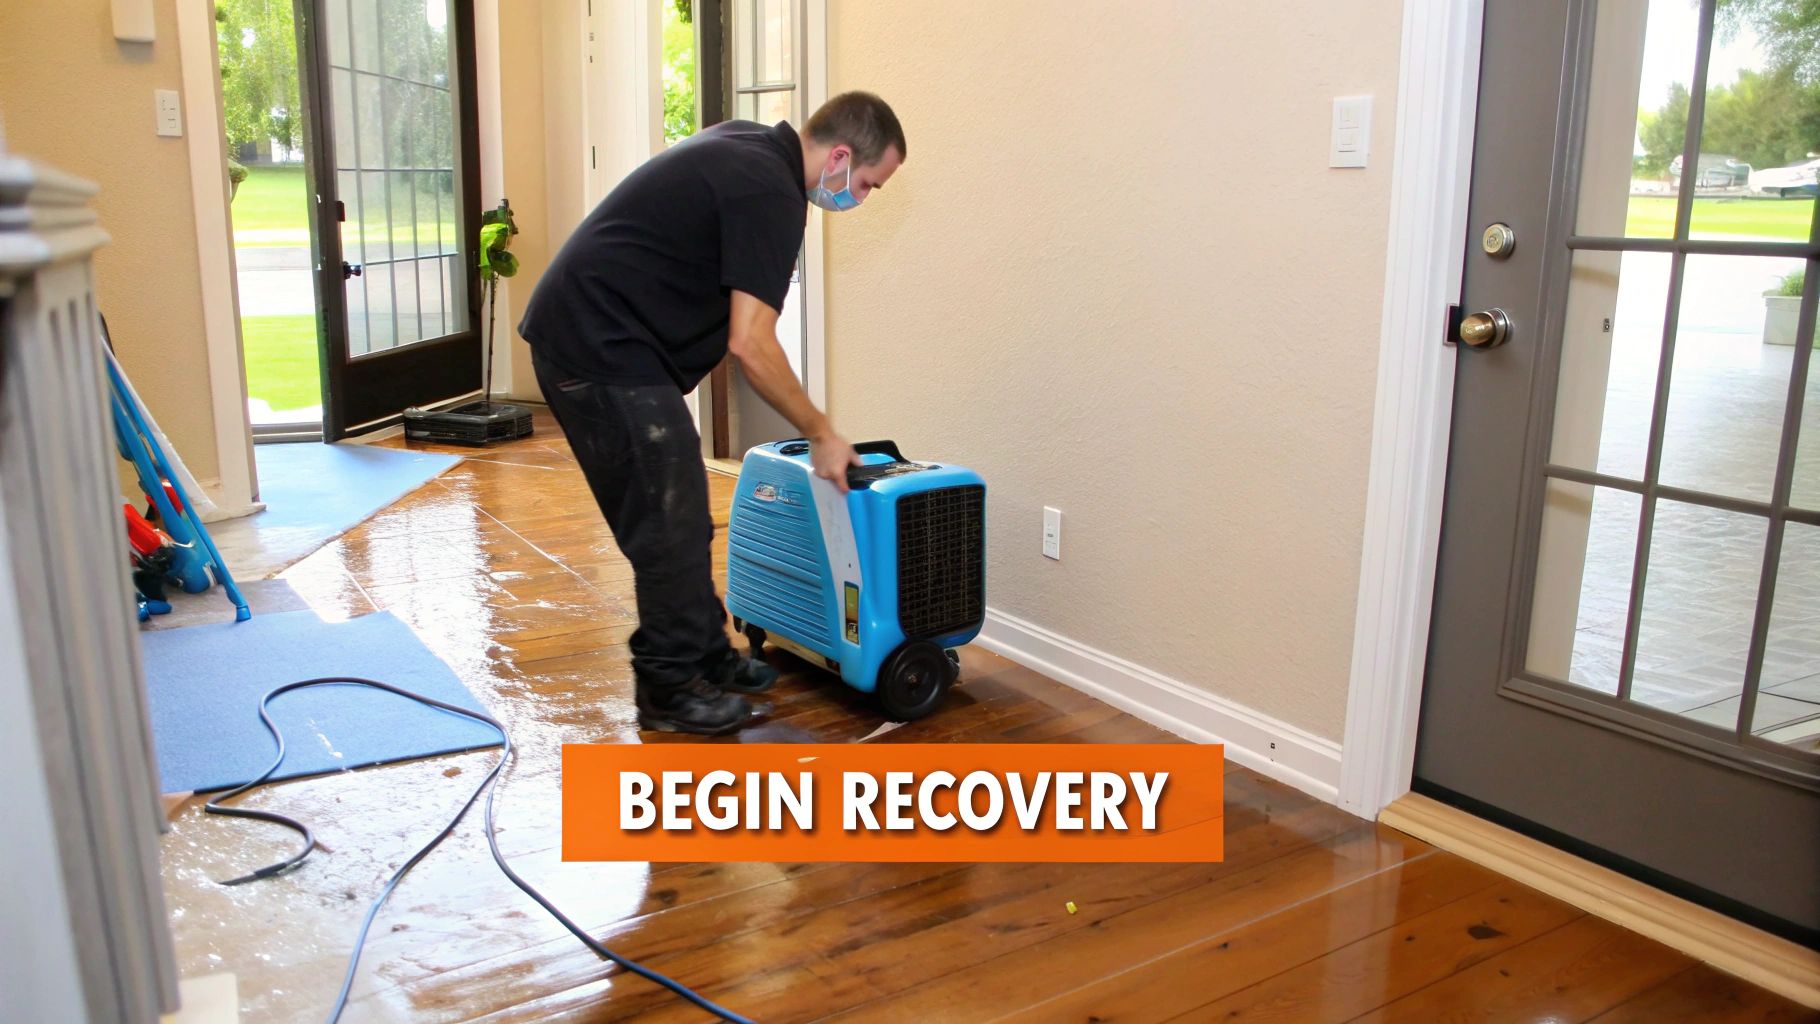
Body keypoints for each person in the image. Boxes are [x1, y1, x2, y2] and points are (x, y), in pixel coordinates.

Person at [517, 92, 906, 735]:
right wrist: (822, 433)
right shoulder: (771, 193)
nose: (859, 199)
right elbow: (750, 341)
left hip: (604, 336)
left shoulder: (751, 145)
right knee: (665, 524)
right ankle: (669, 691)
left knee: (682, 508)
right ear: (839, 156)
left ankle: (705, 653)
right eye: (865, 183)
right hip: (595, 345)